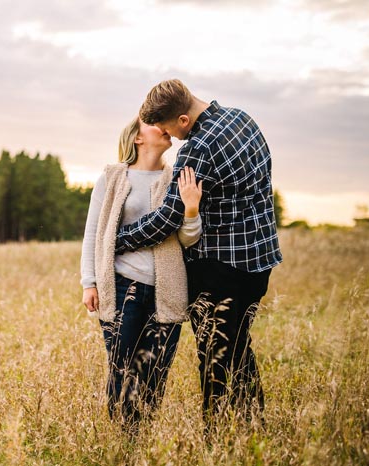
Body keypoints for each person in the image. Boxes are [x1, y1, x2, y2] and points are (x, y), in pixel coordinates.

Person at [114, 79, 283, 434]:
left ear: (184, 120)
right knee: (238, 347)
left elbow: (168, 218)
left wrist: (120, 239)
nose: (171, 138)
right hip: (261, 262)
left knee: (215, 361)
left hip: (221, 270)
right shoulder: (243, 118)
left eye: (170, 129)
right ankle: (256, 425)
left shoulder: (197, 148)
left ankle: (216, 438)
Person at [80, 115, 203, 431]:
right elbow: (94, 233)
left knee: (155, 373)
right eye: (153, 123)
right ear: (137, 137)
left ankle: (141, 439)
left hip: (167, 290)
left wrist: (191, 210)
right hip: (121, 286)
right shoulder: (112, 178)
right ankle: (120, 439)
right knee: (121, 369)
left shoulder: (176, 177)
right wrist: (89, 282)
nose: (165, 126)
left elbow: (188, 239)